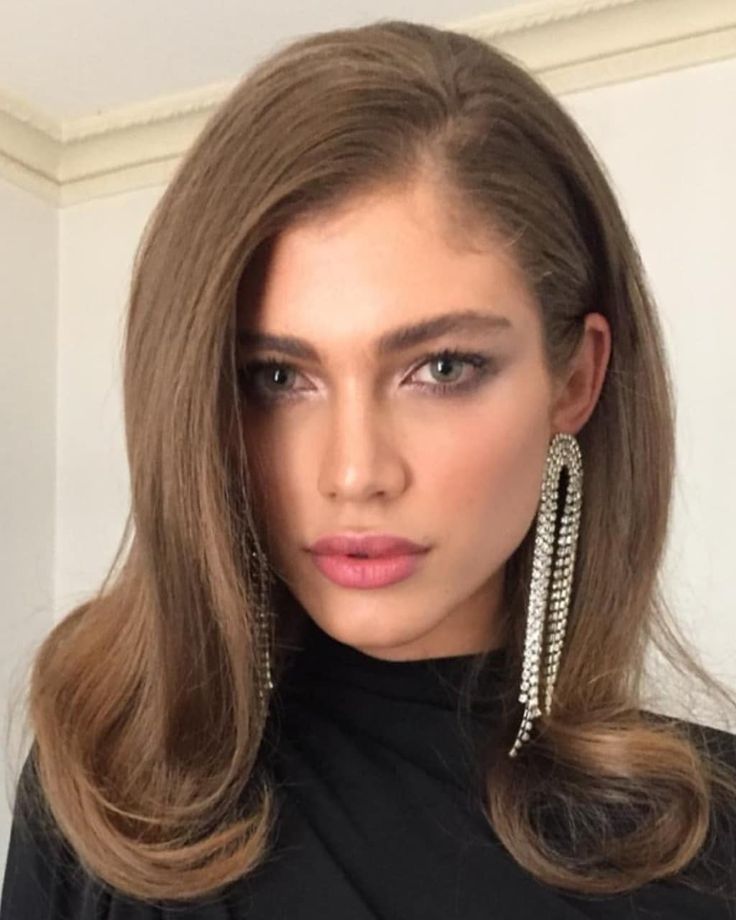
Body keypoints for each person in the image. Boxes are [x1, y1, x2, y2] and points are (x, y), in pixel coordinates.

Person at [2, 18, 736, 920]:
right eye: (276, 377)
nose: (354, 472)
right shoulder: (113, 781)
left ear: (574, 380)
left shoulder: (711, 839)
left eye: (442, 369)